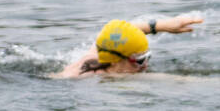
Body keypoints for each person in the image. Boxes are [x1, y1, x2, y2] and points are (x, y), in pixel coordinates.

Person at [55, 14, 203, 78]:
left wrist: (160, 26)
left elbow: (115, 31)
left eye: (147, 58)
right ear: (116, 60)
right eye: (140, 60)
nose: (145, 66)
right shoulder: (109, 77)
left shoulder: (99, 53)